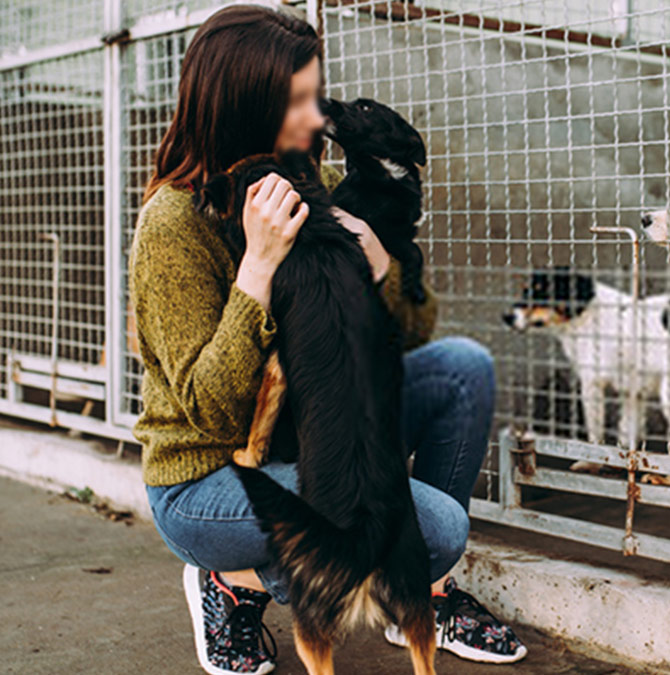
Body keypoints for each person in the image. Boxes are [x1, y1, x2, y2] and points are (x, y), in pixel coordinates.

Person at [129, 6, 525, 673]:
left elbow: (409, 332)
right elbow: (212, 412)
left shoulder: (318, 186)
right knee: (432, 527)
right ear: (248, 107)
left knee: (462, 366)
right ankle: (231, 581)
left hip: (314, 433)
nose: (319, 119)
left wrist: (379, 266)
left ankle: (420, 592)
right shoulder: (173, 223)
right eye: (302, 101)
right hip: (205, 478)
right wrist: (256, 267)